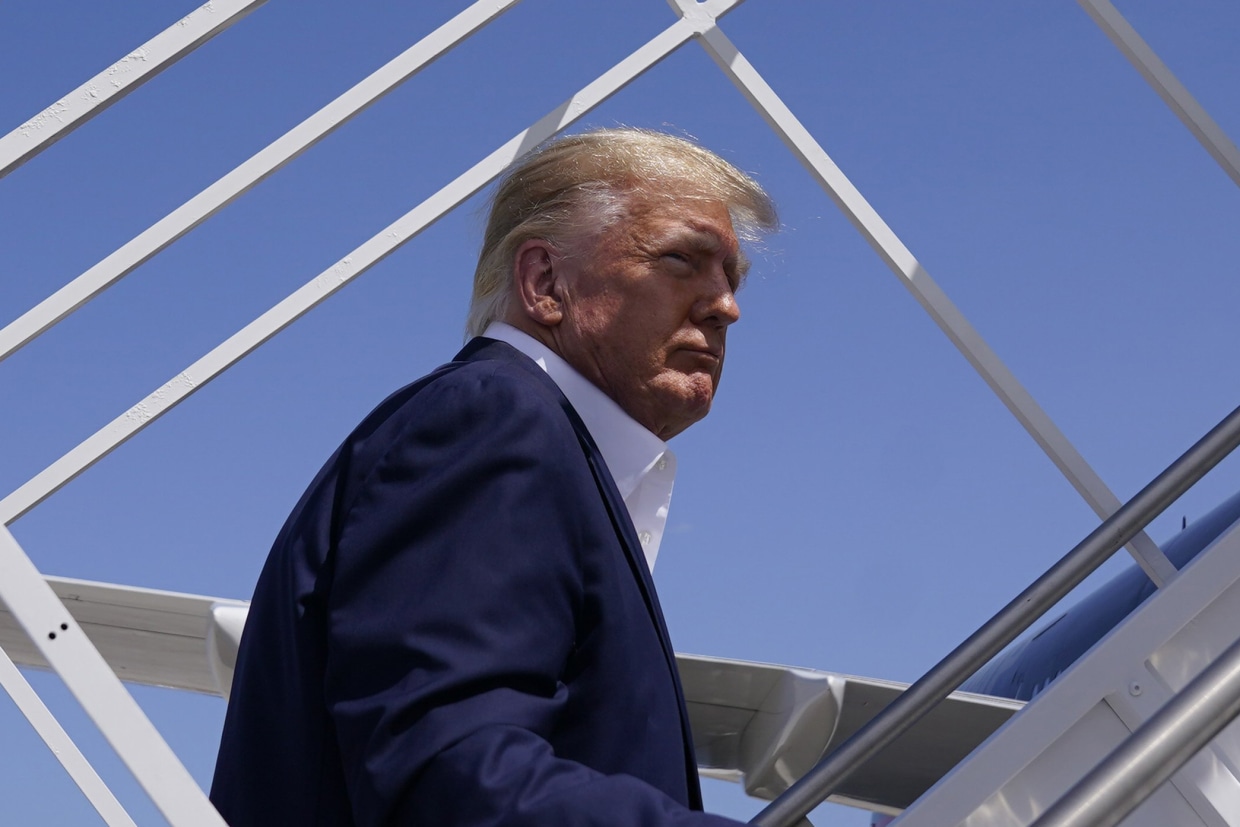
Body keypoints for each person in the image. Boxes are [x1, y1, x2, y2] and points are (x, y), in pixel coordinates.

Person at [210, 127, 777, 826]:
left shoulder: (526, 437)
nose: (726, 305)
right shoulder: (496, 419)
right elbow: (448, 774)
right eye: (682, 260)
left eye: (732, 277)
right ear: (544, 283)